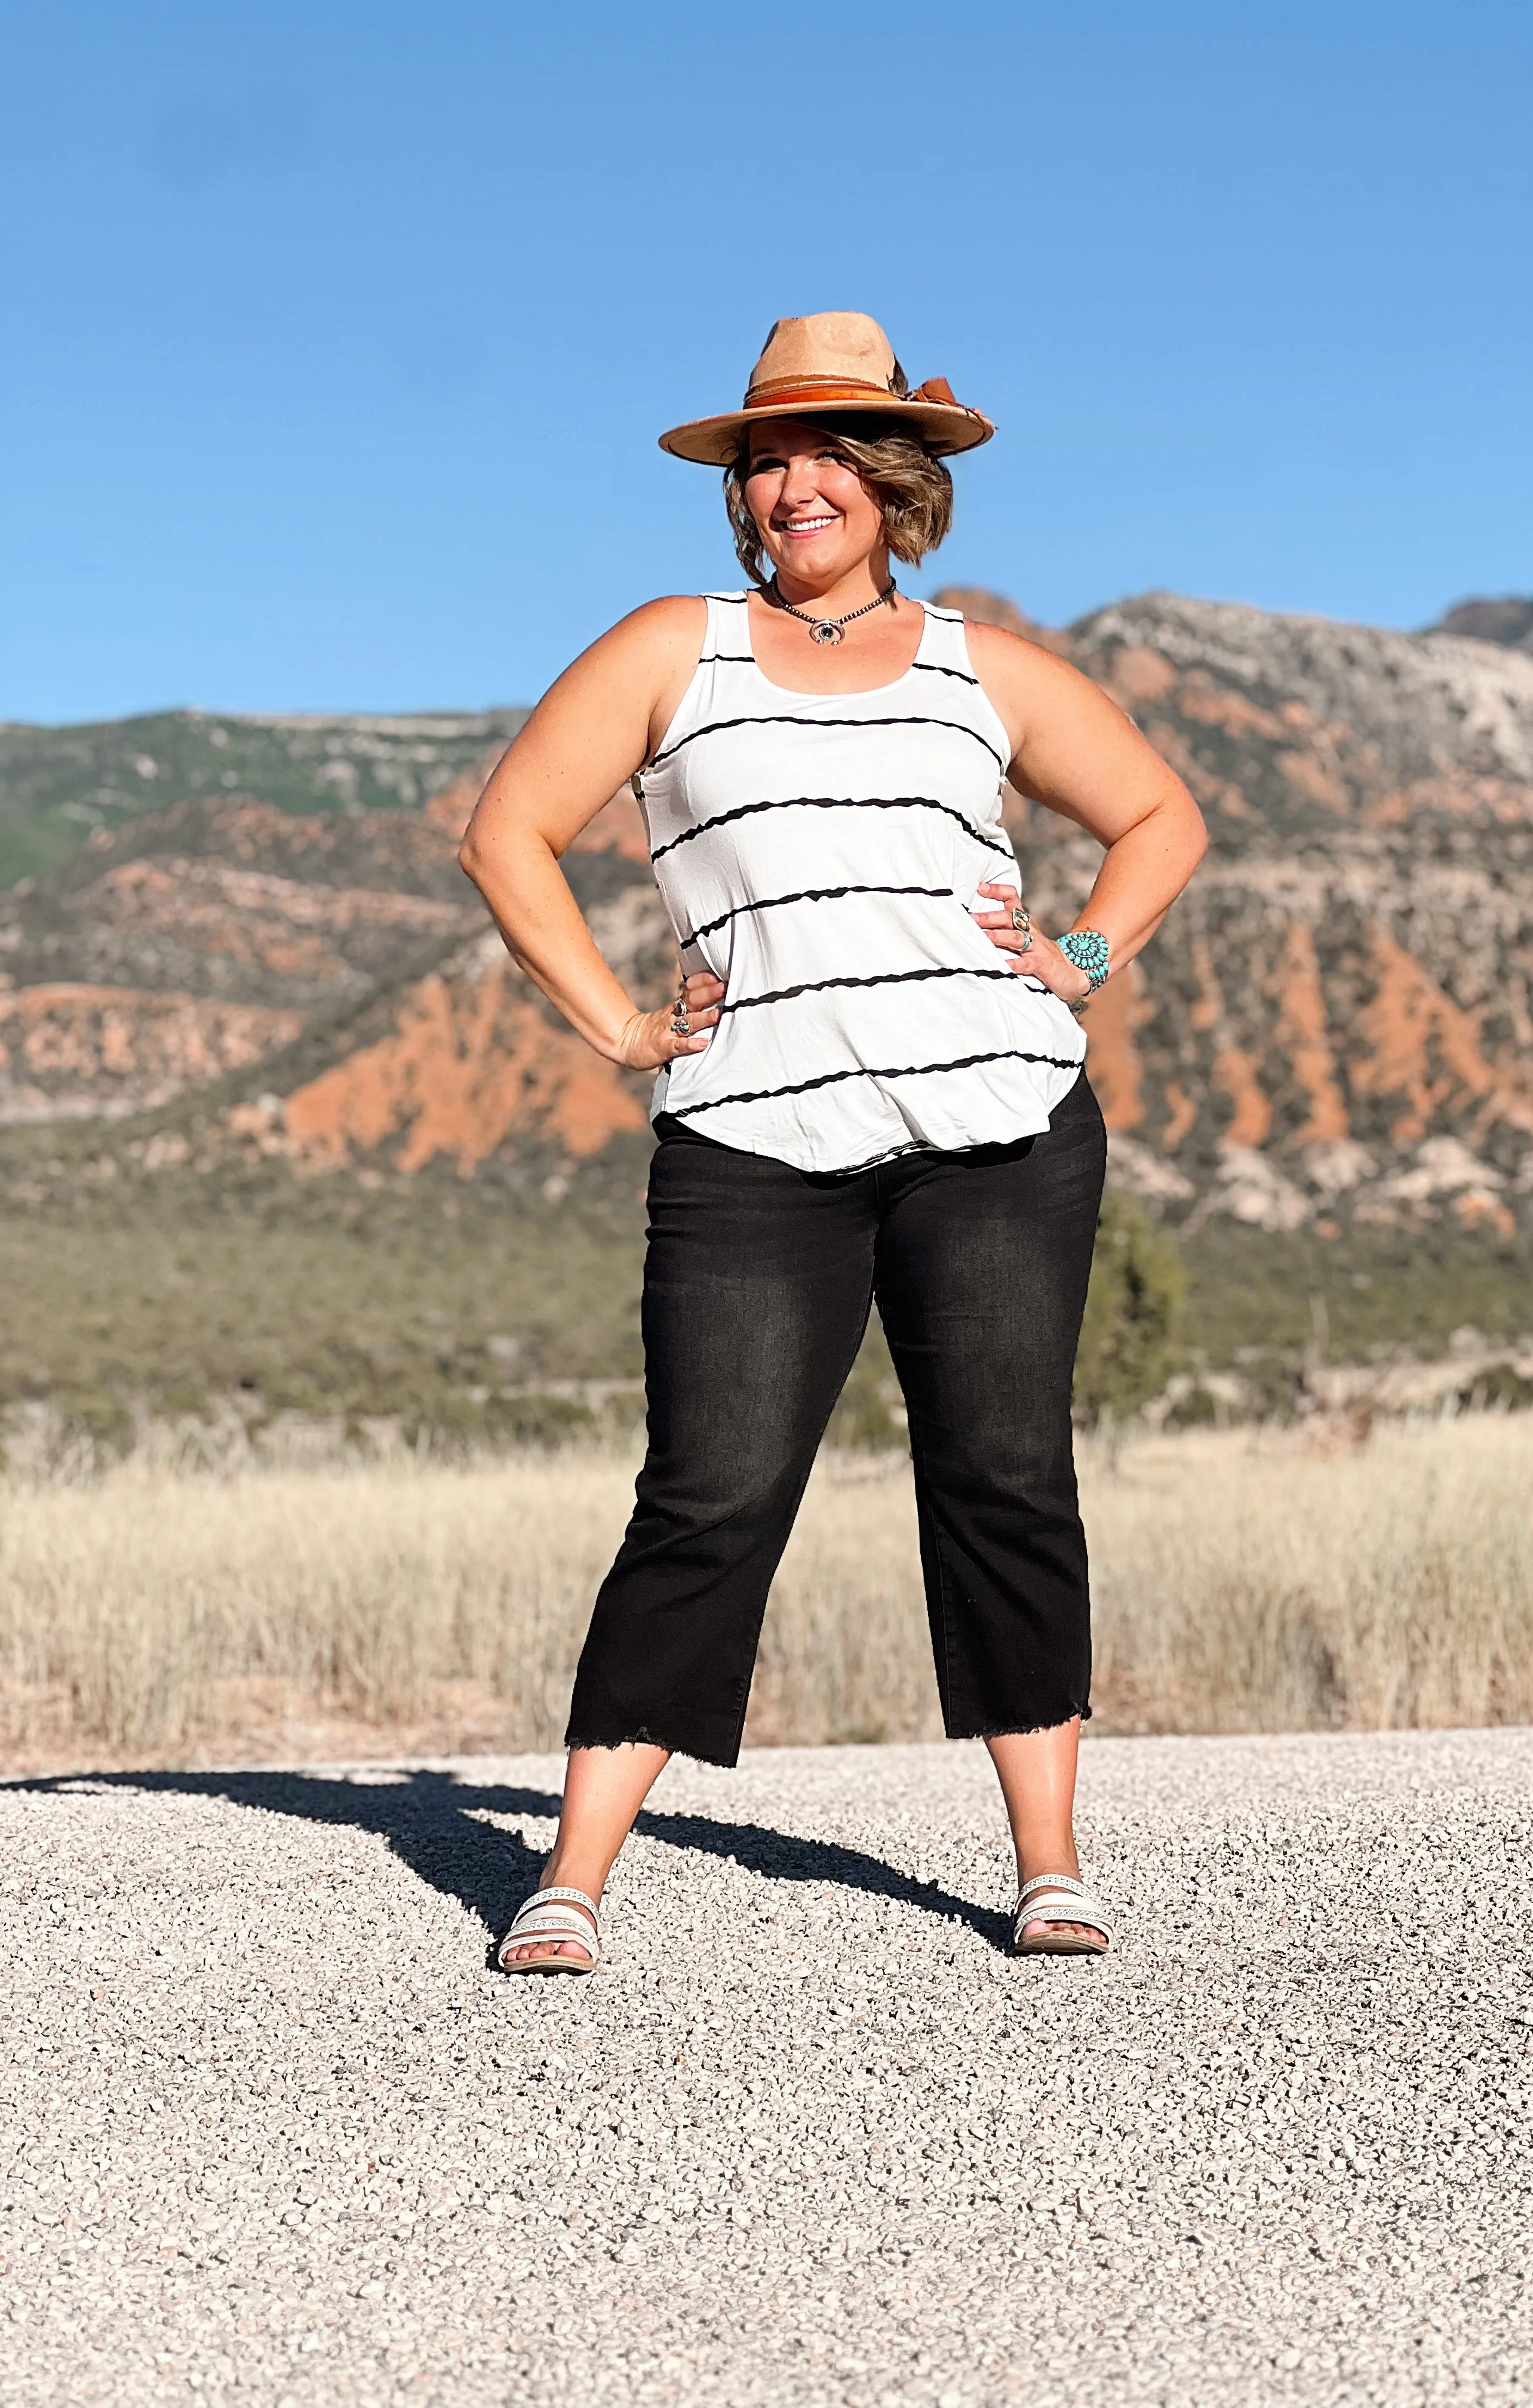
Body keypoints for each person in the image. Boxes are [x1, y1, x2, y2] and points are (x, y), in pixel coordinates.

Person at [459, 312, 1206, 1972]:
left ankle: (1050, 1866)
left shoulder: (980, 666)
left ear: (894, 480)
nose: (794, 484)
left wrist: (1081, 955)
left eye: (827, 456)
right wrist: (608, 1021)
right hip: (750, 1138)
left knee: (1004, 1477)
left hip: (998, 1125)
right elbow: (505, 831)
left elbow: (1164, 814)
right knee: (710, 1493)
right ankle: (572, 1876)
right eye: (766, 458)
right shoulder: (676, 646)